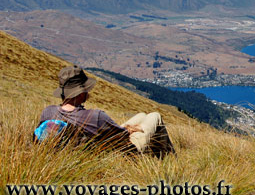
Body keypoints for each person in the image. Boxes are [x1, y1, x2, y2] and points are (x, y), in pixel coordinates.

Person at [37, 65, 175, 157]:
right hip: (124, 153)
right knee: (155, 116)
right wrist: (131, 129)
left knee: (141, 115)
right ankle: (169, 158)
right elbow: (122, 138)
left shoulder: (48, 112)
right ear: (80, 93)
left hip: (93, 149)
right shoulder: (95, 117)